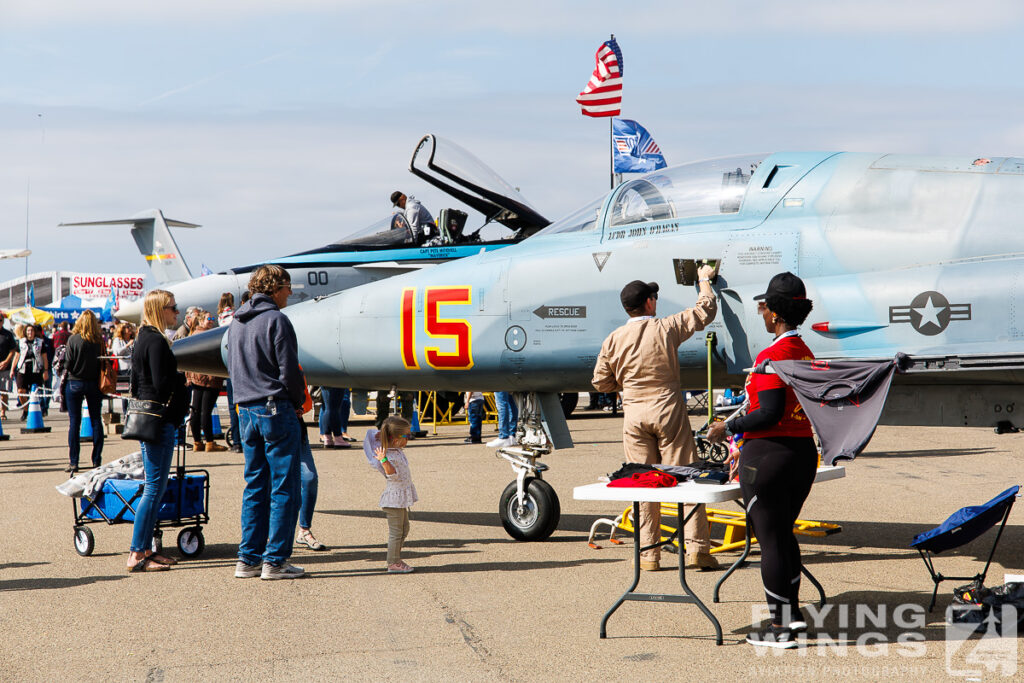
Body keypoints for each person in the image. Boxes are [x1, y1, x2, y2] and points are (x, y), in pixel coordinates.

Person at [707, 272, 816, 648]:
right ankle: (793, 617)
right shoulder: (803, 351)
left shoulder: (773, 355)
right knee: (783, 533)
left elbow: (767, 412)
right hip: (801, 453)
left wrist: (729, 425)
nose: (761, 311)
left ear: (775, 313)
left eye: (764, 305)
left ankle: (781, 628)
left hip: (769, 455)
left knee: (769, 539)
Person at [592, 267, 719, 573]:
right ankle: (698, 549)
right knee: (687, 477)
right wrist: (704, 279)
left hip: (634, 415)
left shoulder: (613, 339)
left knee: (643, 483)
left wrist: (626, 388)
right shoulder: (666, 328)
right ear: (649, 303)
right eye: (654, 297)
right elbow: (706, 310)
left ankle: (649, 554)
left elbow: (599, 382)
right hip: (669, 410)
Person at [228, 265, 307, 580]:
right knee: (284, 486)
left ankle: (248, 559)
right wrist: (298, 400)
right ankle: (275, 560)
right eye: (288, 287)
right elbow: (289, 371)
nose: (291, 293)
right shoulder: (276, 320)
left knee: (256, 484)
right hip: (274, 407)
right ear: (277, 287)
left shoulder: (236, 322)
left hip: (245, 408)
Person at [126, 289, 189, 572]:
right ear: (160, 309)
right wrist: (180, 380)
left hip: (150, 419)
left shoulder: (143, 338)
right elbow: (161, 383)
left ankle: (146, 549)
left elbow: (139, 384)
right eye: (173, 308)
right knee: (153, 489)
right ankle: (137, 553)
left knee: (155, 487)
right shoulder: (156, 341)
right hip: (160, 421)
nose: (177, 312)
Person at [364, 415, 417, 573]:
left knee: (404, 528)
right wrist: (384, 460)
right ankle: (393, 562)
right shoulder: (389, 455)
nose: (409, 438)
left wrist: (383, 434)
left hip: (399, 500)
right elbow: (392, 474)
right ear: (395, 439)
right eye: (406, 435)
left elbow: (374, 434)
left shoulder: (396, 450)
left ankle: (396, 556)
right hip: (393, 500)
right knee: (396, 532)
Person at [63, 311, 106, 473]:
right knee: (96, 420)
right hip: (94, 383)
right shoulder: (98, 341)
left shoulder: (73, 339)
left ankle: (74, 461)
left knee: (74, 422)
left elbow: (68, 363)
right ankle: (96, 460)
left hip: (75, 382)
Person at [184, 310, 227, 452]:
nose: (212, 320)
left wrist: (189, 376)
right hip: (210, 378)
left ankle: (197, 442)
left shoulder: (192, 335)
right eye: (209, 318)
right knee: (206, 411)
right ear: (201, 320)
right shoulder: (208, 336)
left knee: (196, 409)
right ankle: (209, 441)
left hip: (196, 378)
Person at [296, 377, 327, 551]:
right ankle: (269, 535)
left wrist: (300, 408)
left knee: (309, 478)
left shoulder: (294, 365)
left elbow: (307, 400)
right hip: (271, 430)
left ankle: (304, 530)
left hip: (297, 430)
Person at [217, 292, 242, 453]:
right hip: (239, 364)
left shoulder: (220, 317)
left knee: (233, 406)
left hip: (229, 363)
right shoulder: (235, 316)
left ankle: (237, 442)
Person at [10, 323, 48, 421]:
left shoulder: (40, 342)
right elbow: (17, 356)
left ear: (34, 332)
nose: (30, 332)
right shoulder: (21, 342)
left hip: (36, 369)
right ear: (25, 332)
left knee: (35, 391)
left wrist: (45, 371)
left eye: (31, 330)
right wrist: (12, 369)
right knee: (21, 391)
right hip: (23, 369)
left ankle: (35, 411)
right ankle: (26, 410)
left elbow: (44, 357)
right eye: (28, 331)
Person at [110, 322, 135, 416]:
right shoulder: (118, 340)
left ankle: (132, 412)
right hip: (123, 369)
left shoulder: (133, 339)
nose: (129, 329)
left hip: (133, 368)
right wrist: (127, 345)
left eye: (129, 327)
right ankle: (125, 413)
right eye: (126, 327)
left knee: (133, 392)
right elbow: (117, 353)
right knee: (124, 393)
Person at [0, 311, 16, 421]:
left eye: (0, 321)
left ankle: (3, 412)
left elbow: (13, 350)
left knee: (4, 391)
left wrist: (6, 361)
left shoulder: (7, 334)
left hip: (5, 367)